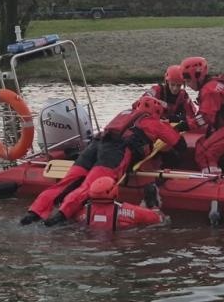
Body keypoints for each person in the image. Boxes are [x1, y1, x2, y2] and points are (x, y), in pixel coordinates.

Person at [22, 93, 181, 226]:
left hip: (96, 144)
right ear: (157, 112)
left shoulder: (124, 113)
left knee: (68, 182)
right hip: (115, 152)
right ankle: (60, 217)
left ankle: (33, 212)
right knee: (88, 186)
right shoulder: (155, 122)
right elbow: (180, 144)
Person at [180, 55, 224, 176]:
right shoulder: (214, 84)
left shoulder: (209, 90)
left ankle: (212, 180)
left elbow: (205, 117)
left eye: (188, 81)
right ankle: (213, 174)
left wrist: (184, 125)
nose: (189, 85)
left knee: (205, 152)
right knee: (200, 144)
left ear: (196, 76)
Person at [80, 177, 166, 231]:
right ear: (115, 191)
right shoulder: (128, 210)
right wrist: (153, 207)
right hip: (117, 244)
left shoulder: (81, 211)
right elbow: (159, 219)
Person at [144, 65, 202, 130]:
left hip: (170, 125)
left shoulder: (183, 95)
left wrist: (173, 119)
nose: (175, 88)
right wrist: (158, 102)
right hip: (153, 124)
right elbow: (140, 104)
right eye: (172, 84)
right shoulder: (156, 90)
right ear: (167, 82)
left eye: (178, 85)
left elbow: (191, 116)